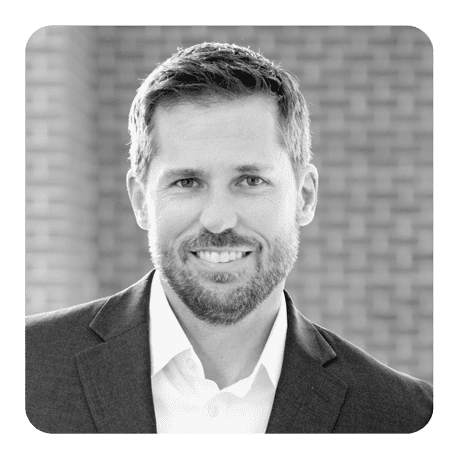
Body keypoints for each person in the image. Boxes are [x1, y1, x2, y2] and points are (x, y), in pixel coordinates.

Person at [25, 42, 433, 434]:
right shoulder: (22, 368)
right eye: (187, 182)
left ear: (304, 197)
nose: (218, 220)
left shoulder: (407, 418)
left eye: (250, 180)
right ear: (141, 201)